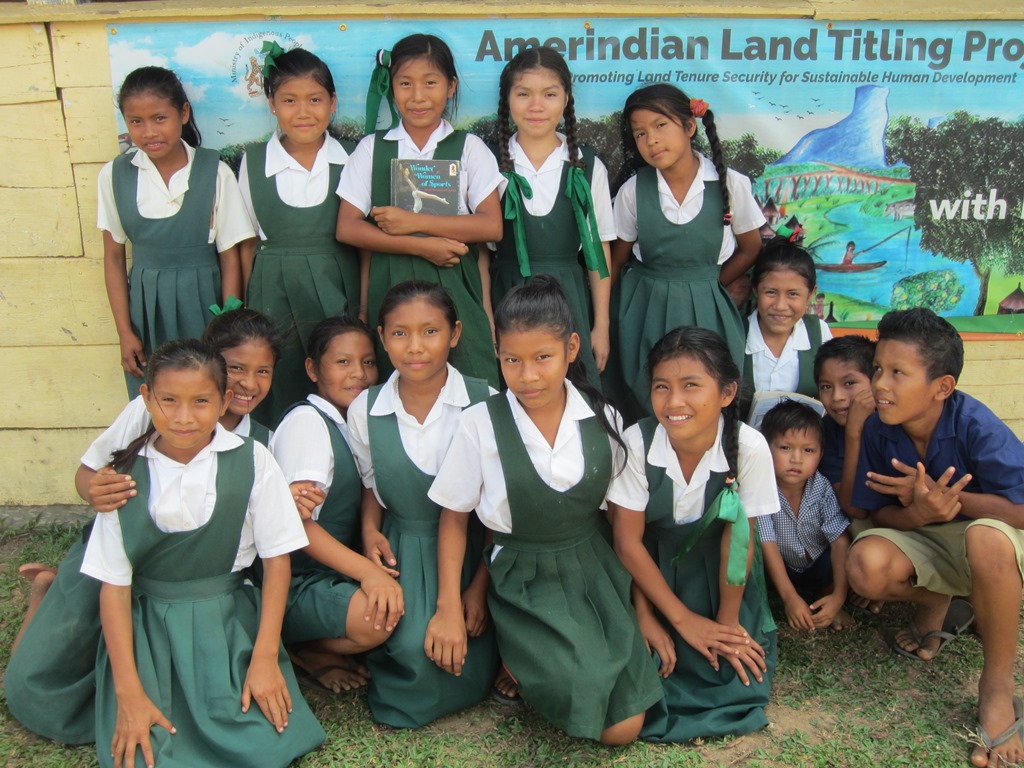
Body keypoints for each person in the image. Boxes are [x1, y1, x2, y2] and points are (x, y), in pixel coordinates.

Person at [4, 308, 282, 745]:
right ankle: (47, 594)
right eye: (235, 369)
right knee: (44, 680)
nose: (247, 383)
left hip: (182, 580)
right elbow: (88, 473)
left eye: (261, 371)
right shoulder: (148, 411)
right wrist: (93, 491)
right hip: (113, 564)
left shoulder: (260, 443)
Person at [426, 276, 663, 745]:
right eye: (512, 360)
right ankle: (518, 655)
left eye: (542, 358)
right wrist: (449, 606)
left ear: (571, 348)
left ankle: (542, 662)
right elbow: (454, 518)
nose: (527, 376)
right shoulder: (480, 424)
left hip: (594, 574)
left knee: (628, 721)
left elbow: (620, 528)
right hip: (522, 581)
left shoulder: (604, 419)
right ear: (497, 352)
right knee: (611, 725)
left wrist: (644, 611)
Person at [79, 339, 324, 768]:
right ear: (146, 398)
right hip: (150, 635)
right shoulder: (124, 476)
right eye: (169, 400)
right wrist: (129, 695)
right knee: (146, 755)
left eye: (201, 401)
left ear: (224, 400)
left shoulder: (253, 460)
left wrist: (265, 657)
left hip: (227, 627)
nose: (183, 417)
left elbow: (277, 560)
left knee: (268, 747)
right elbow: (114, 590)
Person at [845, 308, 1024, 768]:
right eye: (878, 370)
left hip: (987, 541)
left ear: (941, 387)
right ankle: (944, 601)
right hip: (924, 536)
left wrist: (953, 502)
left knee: (986, 539)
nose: (880, 384)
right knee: (865, 564)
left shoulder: (974, 424)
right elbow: (871, 509)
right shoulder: (881, 429)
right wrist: (919, 510)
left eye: (898, 373)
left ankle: (997, 689)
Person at [609, 326, 778, 743]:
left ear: (726, 393)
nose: (675, 402)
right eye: (662, 387)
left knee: (728, 670)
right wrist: (658, 616)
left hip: (719, 581)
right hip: (647, 578)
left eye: (691, 386)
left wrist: (725, 624)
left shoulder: (750, 447)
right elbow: (628, 542)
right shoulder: (637, 442)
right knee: (648, 664)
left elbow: (737, 545)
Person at [346, 280, 497, 728]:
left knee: (470, 642)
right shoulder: (365, 409)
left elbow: (495, 508)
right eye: (399, 333)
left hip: (470, 553)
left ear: (454, 333)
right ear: (381, 336)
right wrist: (370, 530)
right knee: (413, 647)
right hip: (401, 548)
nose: (415, 347)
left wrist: (478, 586)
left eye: (430, 332)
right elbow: (374, 483)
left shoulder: (483, 402)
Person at [337, 34, 502, 388]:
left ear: (451, 86)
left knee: (473, 378)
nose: (418, 97)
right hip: (390, 280)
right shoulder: (372, 149)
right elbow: (347, 228)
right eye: (405, 84)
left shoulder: (470, 148)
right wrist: (422, 245)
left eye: (431, 83)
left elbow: (492, 226)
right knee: (397, 382)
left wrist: (413, 222)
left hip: (456, 281)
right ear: (391, 87)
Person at [608, 84, 764, 421]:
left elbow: (751, 248)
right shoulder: (635, 190)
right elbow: (617, 260)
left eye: (661, 126)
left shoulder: (730, 184)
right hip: (644, 308)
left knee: (705, 394)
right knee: (648, 395)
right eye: (640, 133)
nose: (651, 140)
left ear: (689, 127)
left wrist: (709, 284)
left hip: (708, 308)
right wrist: (608, 319)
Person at [98, 66, 253, 397]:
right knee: (157, 395)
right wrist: (125, 332)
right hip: (146, 309)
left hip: (205, 305)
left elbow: (229, 256)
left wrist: (225, 326)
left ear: (183, 113)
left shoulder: (214, 172)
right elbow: (112, 258)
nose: (149, 132)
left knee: (208, 391)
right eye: (135, 121)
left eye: (159, 118)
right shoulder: (115, 175)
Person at [270, 315, 401, 694]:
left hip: (331, 570)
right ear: (312, 369)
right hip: (293, 579)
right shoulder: (308, 424)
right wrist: (368, 573)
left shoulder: (352, 422)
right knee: (377, 618)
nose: (358, 374)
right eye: (342, 362)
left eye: (368, 362)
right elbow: (298, 523)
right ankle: (302, 647)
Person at [240, 44, 361, 426]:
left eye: (315, 99)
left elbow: (368, 239)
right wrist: (248, 308)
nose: (304, 112)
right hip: (272, 294)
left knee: (339, 375)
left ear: (333, 103)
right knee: (281, 379)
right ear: (272, 104)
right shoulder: (254, 161)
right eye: (289, 100)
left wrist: (362, 305)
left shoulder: (354, 157)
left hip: (337, 287)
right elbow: (246, 243)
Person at [490, 46, 614, 387]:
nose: (536, 106)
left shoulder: (586, 166)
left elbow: (598, 250)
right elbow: (480, 252)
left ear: (566, 99)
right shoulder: (489, 164)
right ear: (507, 99)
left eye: (549, 94)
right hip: (507, 294)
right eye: (523, 94)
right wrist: (487, 317)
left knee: (575, 388)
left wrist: (599, 325)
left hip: (568, 298)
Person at [758, 400, 852, 631]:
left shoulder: (821, 488)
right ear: (766, 449)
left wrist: (839, 595)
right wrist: (790, 597)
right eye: (785, 448)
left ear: (820, 455)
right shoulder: (760, 489)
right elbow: (767, 542)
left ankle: (830, 599)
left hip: (818, 565)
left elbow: (839, 541)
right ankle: (773, 599)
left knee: (839, 558)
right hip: (779, 566)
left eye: (808, 450)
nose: (796, 459)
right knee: (755, 559)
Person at [744, 237, 832, 400]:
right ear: (755, 290)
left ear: (811, 294)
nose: (780, 306)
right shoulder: (735, 333)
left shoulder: (819, 333)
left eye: (793, 294)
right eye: (770, 292)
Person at [814, 335, 876, 507]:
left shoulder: (894, 422)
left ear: (876, 382)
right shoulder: (825, 433)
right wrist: (853, 432)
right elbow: (852, 507)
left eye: (849, 383)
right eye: (826, 387)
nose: (837, 397)